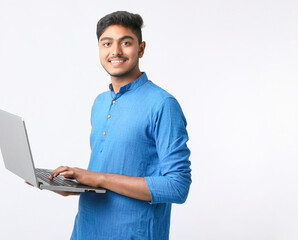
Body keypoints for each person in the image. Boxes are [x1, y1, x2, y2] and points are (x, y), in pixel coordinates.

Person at [49, 11, 192, 239]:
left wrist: (98, 178)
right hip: (85, 230)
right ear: (99, 49)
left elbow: (177, 187)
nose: (115, 51)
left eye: (125, 42)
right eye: (107, 43)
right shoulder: (100, 102)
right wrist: (70, 186)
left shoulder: (163, 104)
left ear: (141, 48)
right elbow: (111, 174)